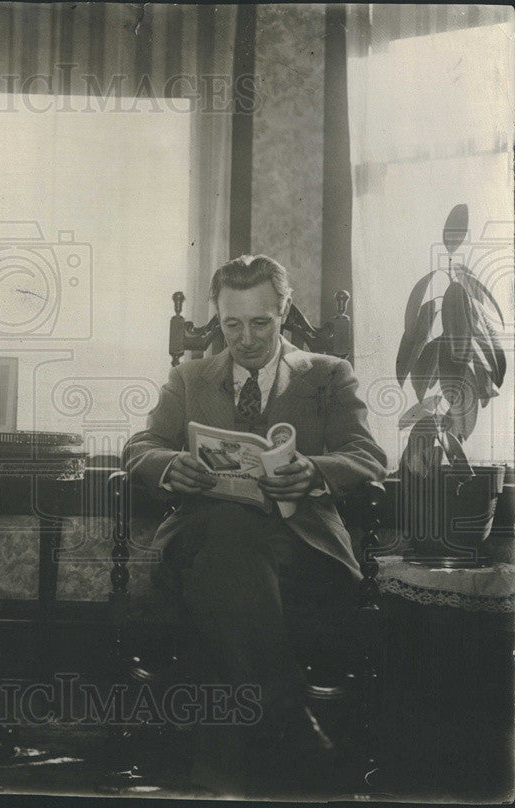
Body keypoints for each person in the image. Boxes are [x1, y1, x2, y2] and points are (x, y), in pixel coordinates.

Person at [122, 255, 387, 793]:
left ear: (284, 312)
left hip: (301, 549)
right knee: (225, 533)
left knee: (225, 562)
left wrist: (313, 472)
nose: (245, 339)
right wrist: (173, 465)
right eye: (231, 324)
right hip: (203, 541)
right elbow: (140, 447)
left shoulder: (328, 376)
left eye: (260, 323)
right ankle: (291, 726)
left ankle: (228, 765)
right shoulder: (190, 376)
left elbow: (367, 455)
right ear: (218, 318)